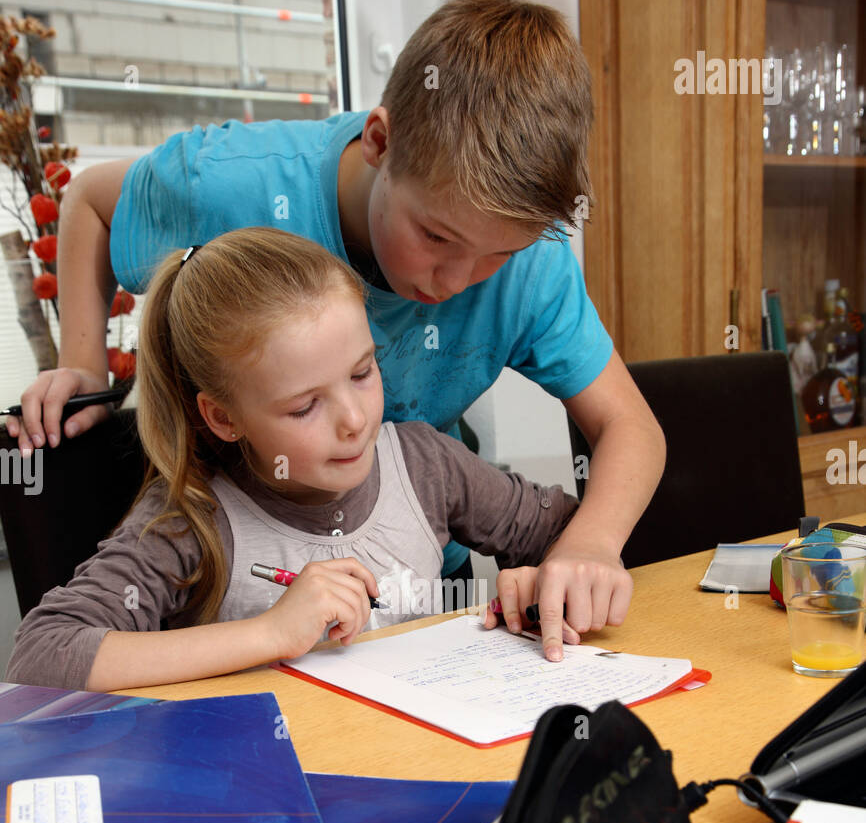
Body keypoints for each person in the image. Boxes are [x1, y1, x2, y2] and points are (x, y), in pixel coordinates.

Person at [7, 0, 665, 652]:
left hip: (411, 573)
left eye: (497, 255)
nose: (460, 281)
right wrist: (81, 362)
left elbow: (629, 426)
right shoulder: (233, 181)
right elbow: (88, 199)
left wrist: (586, 547)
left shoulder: (526, 266)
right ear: (381, 141)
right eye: (437, 238)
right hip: (244, 579)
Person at [4, 228, 600, 692]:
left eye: (363, 373)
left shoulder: (425, 464)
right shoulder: (193, 520)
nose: (355, 419)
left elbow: (577, 537)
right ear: (224, 418)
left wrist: (547, 580)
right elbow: (42, 654)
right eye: (304, 406)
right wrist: (270, 633)